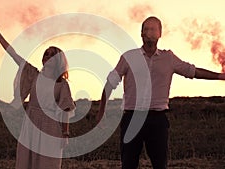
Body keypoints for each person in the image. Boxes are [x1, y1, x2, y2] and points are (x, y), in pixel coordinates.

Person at [96, 16, 225, 169]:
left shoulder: (168, 58)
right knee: (128, 164)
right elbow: (110, 83)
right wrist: (100, 112)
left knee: (160, 165)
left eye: (153, 29)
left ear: (160, 34)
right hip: (132, 119)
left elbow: (193, 71)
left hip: (157, 120)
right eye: (146, 29)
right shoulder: (129, 57)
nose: (149, 32)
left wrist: (220, 76)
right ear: (141, 33)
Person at [0, 27, 76, 169]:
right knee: (26, 161)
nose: (47, 57)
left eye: (51, 55)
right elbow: (13, 54)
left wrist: (65, 134)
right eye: (45, 54)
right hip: (31, 123)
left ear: (57, 60)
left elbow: (65, 110)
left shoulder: (61, 84)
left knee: (48, 163)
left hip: (50, 126)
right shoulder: (33, 74)